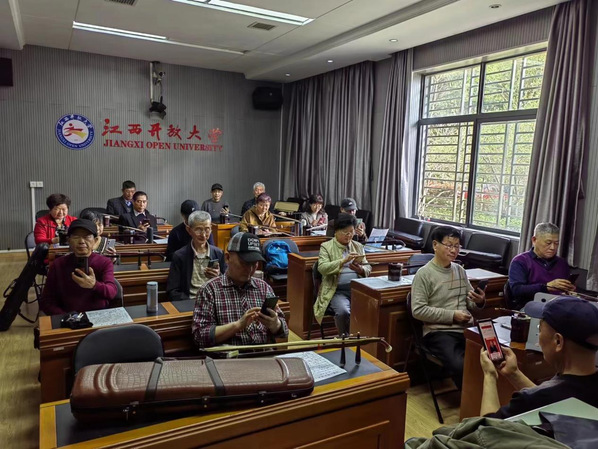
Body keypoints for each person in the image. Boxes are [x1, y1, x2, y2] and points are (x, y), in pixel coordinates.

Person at [480, 296, 598, 418]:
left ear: (558, 341)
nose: (538, 341)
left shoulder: (529, 400)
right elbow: (547, 401)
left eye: (540, 329)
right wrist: (513, 373)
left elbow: (484, 427)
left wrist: (490, 375)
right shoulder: (566, 395)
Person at [410, 226, 486, 390]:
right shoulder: (424, 274)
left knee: (491, 356)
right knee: (460, 365)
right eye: (449, 245)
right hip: (438, 332)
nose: (453, 250)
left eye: (457, 246)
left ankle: (482, 397)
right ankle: (470, 401)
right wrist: (453, 315)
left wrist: (479, 301)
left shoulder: (460, 270)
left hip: (466, 329)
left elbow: (470, 303)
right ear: (435, 245)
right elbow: (418, 310)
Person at [192, 232, 288, 348]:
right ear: (227, 258)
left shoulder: (264, 288)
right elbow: (200, 337)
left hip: (264, 355)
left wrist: (275, 324)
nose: (250, 269)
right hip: (230, 357)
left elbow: (284, 331)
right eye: (244, 263)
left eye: (254, 263)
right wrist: (238, 325)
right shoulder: (210, 290)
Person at [39, 219, 118, 315]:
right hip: (67, 318)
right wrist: (66, 317)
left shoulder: (104, 262)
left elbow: (112, 292)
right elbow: (46, 301)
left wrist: (94, 285)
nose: (81, 241)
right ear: (68, 240)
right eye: (76, 237)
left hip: (97, 316)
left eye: (87, 237)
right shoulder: (58, 264)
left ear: (95, 240)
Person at [314, 213, 371, 336]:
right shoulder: (326, 247)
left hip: (357, 290)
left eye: (351, 232)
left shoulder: (358, 246)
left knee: (372, 307)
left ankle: (363, 338)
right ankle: (344, 339)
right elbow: (322, 268)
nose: (349, 235)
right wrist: (342, 261)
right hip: (336, 290)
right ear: (336, 231)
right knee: (343, 311)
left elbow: (368, 267)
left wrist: (360, 269)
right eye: (345, 232)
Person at [508, 222, 574, 310]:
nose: (553, 247)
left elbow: (564, 290)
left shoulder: (562, 263)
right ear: (534, 240)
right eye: (548, 243)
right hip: (530, 307)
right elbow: (517, 290)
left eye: (556, 243)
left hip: (559, 306)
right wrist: (547, 287)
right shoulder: (520, 261)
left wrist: (569, 290)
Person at [167, 211, 226, 302]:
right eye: (198, 230)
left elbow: (229, 283)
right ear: (189, 230)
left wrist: (219, 276)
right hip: (190, 302)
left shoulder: (218, 253)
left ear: (211, 229)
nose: (203, 235)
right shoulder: (180, 256)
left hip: (214, 301)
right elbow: (173, 291)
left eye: (207, 229)